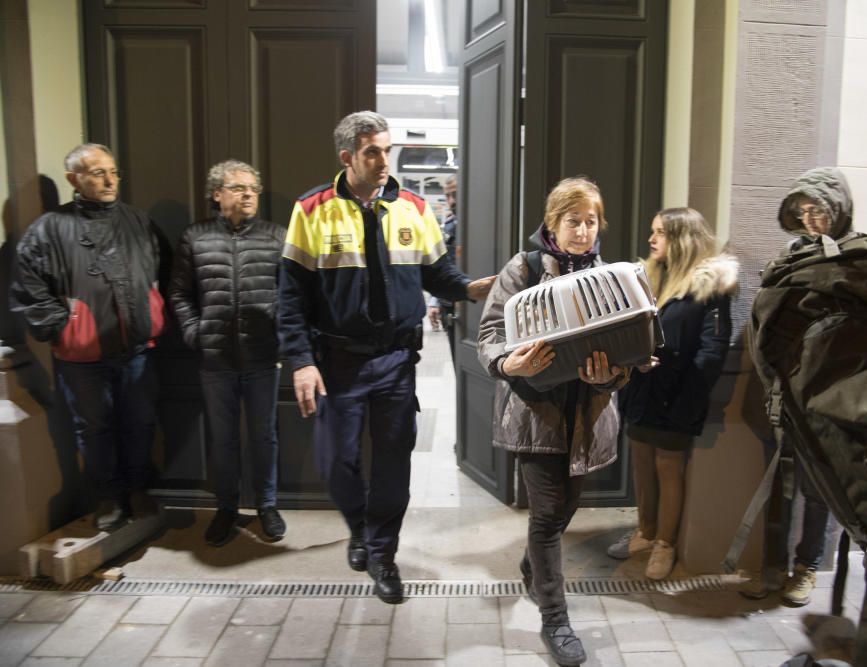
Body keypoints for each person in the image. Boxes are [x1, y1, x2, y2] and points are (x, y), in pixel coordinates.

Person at [278, 111, 494, 604]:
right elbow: (290, 296)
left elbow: (437, 273)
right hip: (338, 362)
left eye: (387, 149)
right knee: (335, 463)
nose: (383, 161)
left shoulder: (414, 208)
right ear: (347, 157)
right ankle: (359, 526)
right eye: (372, 152)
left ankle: (382, 554)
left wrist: (467, 289)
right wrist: (300, 360)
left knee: (394, 464)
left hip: (397, 362)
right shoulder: (312, 209)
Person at [478, 177, 633, 667]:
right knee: (547, 518)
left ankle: (533, 567)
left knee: (565, 509)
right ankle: (556, 620)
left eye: (590, 222)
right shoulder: (522, 269)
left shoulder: (612, 276)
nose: (583, 231)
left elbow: (626, 350)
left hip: (587, 417)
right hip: (536, 413)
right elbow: (489, 333)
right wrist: (509, 364)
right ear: (553, 222)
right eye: (573, 221)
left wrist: (613, 375)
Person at [10, 143, 165, 530]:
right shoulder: (49, 228)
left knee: (140, 422)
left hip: (136, 350)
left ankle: (138, 490)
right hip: (82, 357)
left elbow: (163, 269)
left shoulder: (138, 221)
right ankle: (108, 497)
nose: (109, 180)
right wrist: (63, 325)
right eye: (97, 172)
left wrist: (154, 310)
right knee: (94, 428)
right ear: (73, 179)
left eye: (113, 171)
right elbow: (28, 286)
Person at [607, 208, 738, 580]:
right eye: (653, 231)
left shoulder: (709, 286)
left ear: (681, 238)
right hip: (642, 389)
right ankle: (645, 532)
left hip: (679, 395)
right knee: (641, 463)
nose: (652, 239)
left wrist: (688, 397)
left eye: (661, 232)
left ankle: (665, 543)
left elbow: (713, 350)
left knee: (668, 467)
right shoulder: (649, 277)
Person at [168, 160, 287, 547]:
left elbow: (291, 296)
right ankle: (226, 507)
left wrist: (282, 336)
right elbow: (179, 293)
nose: (249, 194)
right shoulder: (195, 237)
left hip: (262, 357)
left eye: (253, 187)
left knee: (264, 436)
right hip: (215, 359)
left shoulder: (275, 236)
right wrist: (193, 332)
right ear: (217, 194)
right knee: (223, 440)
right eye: (238, 188)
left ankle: (267, 505)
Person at [741, 167, 845, 605]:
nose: (810, 219)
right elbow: (763, 321)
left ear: (837, 210)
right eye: (802, 211)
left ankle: (807, 568)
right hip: (781, 392)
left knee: (817, 489)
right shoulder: (785, 259)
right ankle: (771, 567)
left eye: (818, 209)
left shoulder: (854, 258)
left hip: (826, 396)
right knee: (777, 485)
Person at [427, 175, 458, 363]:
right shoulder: (449, 226)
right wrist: (435, 301)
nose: (452, 201)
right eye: (448, 196)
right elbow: (442, 265)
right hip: (451, 308)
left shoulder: (482, 226)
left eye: (456, 194)